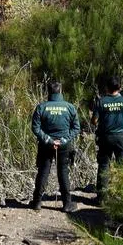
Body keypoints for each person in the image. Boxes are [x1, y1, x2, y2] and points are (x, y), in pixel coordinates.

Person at [29, 80, 81, 213]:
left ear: (48, 92)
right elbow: (76, 128)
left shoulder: (41, 107)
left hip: (46, 145)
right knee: (63, 172)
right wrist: (63, 140)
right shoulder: (70, 107)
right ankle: (67, 204)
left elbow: (35, 128)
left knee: (43, 171)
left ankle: (37, 202)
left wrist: (48, 139)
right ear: (60, 91)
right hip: (64, 145)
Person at [92, 75, 123, 200]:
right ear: (120, 87)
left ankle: (102, 197)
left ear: (107, 87)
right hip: (121, 137)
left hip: (105, 137)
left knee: (104, 165)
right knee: (122, 165)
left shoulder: (101, 101)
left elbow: (94, 121)